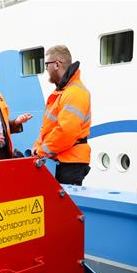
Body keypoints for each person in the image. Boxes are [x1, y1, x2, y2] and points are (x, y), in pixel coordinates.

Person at [33, 45, 91, 185]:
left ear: (57, 65)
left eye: (46, 65)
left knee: (64, 205)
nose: (46, 69)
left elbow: (66, 131)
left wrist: (41, 151)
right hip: (63, 161)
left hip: (71, 164)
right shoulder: (64, 92)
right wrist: (37, 147)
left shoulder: (74, 93)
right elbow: (48, 128)